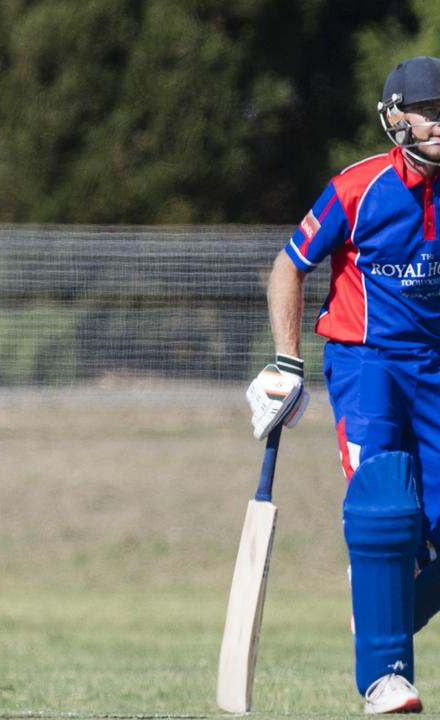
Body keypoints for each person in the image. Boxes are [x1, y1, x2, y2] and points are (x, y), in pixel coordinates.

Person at [247, 56, 440, 714]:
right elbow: (288, 266)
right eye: (431, 111)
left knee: (426, 535)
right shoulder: (357, 189)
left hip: (435, 366)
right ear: (395, 119)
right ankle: (385, 676)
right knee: (384, 498)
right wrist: (286, 363)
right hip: (366, 363)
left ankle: (386, 596)